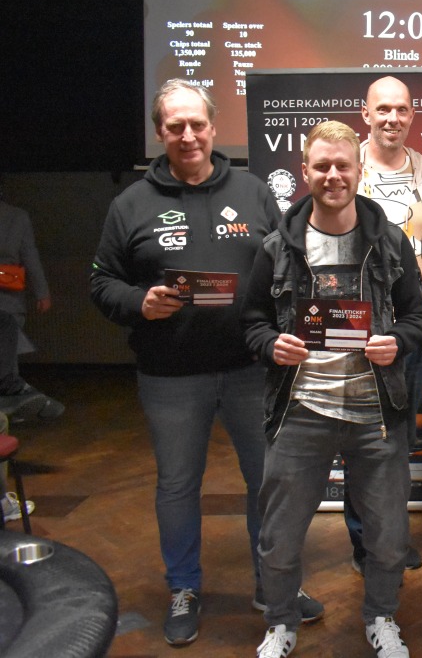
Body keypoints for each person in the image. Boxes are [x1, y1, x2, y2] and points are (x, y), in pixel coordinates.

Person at [89, 79, 322, 646]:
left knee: (266, 483)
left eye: (197, 124)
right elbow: (101, 282)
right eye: (176, 126)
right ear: (160, 133)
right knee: (177, 485)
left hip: (251, 369)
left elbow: (288, 267)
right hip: (170, 376)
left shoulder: (253, 191)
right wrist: (140, 303)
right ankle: (184, 588)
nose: (188, 135)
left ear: (214, 128)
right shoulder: (130, 204)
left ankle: (273, 584)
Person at [242, 120, 422, 658]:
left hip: (376, 411)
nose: (332, 175)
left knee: (388, 536)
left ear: (358, 170)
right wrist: (270, 344)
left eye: (342, 165)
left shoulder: (390, 241)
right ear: (305, 171)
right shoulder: (277, 246)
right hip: (301, 409)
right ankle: (281, 623)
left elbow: (418, 316)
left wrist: (397, 341)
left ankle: (382, 618)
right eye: (321, 166)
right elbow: (251, 321)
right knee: (279, 536)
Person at [346, 75, 422, 572]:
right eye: (383, 109)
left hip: (415, 332)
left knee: (400, 442)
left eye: (402, 109)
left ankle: (392, 536)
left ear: (411, 115)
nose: (392, 118)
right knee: (362, 442)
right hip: (360, 335)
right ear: (366, 114)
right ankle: (365, 543)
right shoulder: (349, 165)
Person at [0, 181, 63, 422]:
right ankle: (12, 407)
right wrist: (42, 293)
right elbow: (30, 256)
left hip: (8, 298)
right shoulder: (17, 217)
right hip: (8, 295)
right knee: (8, 353)